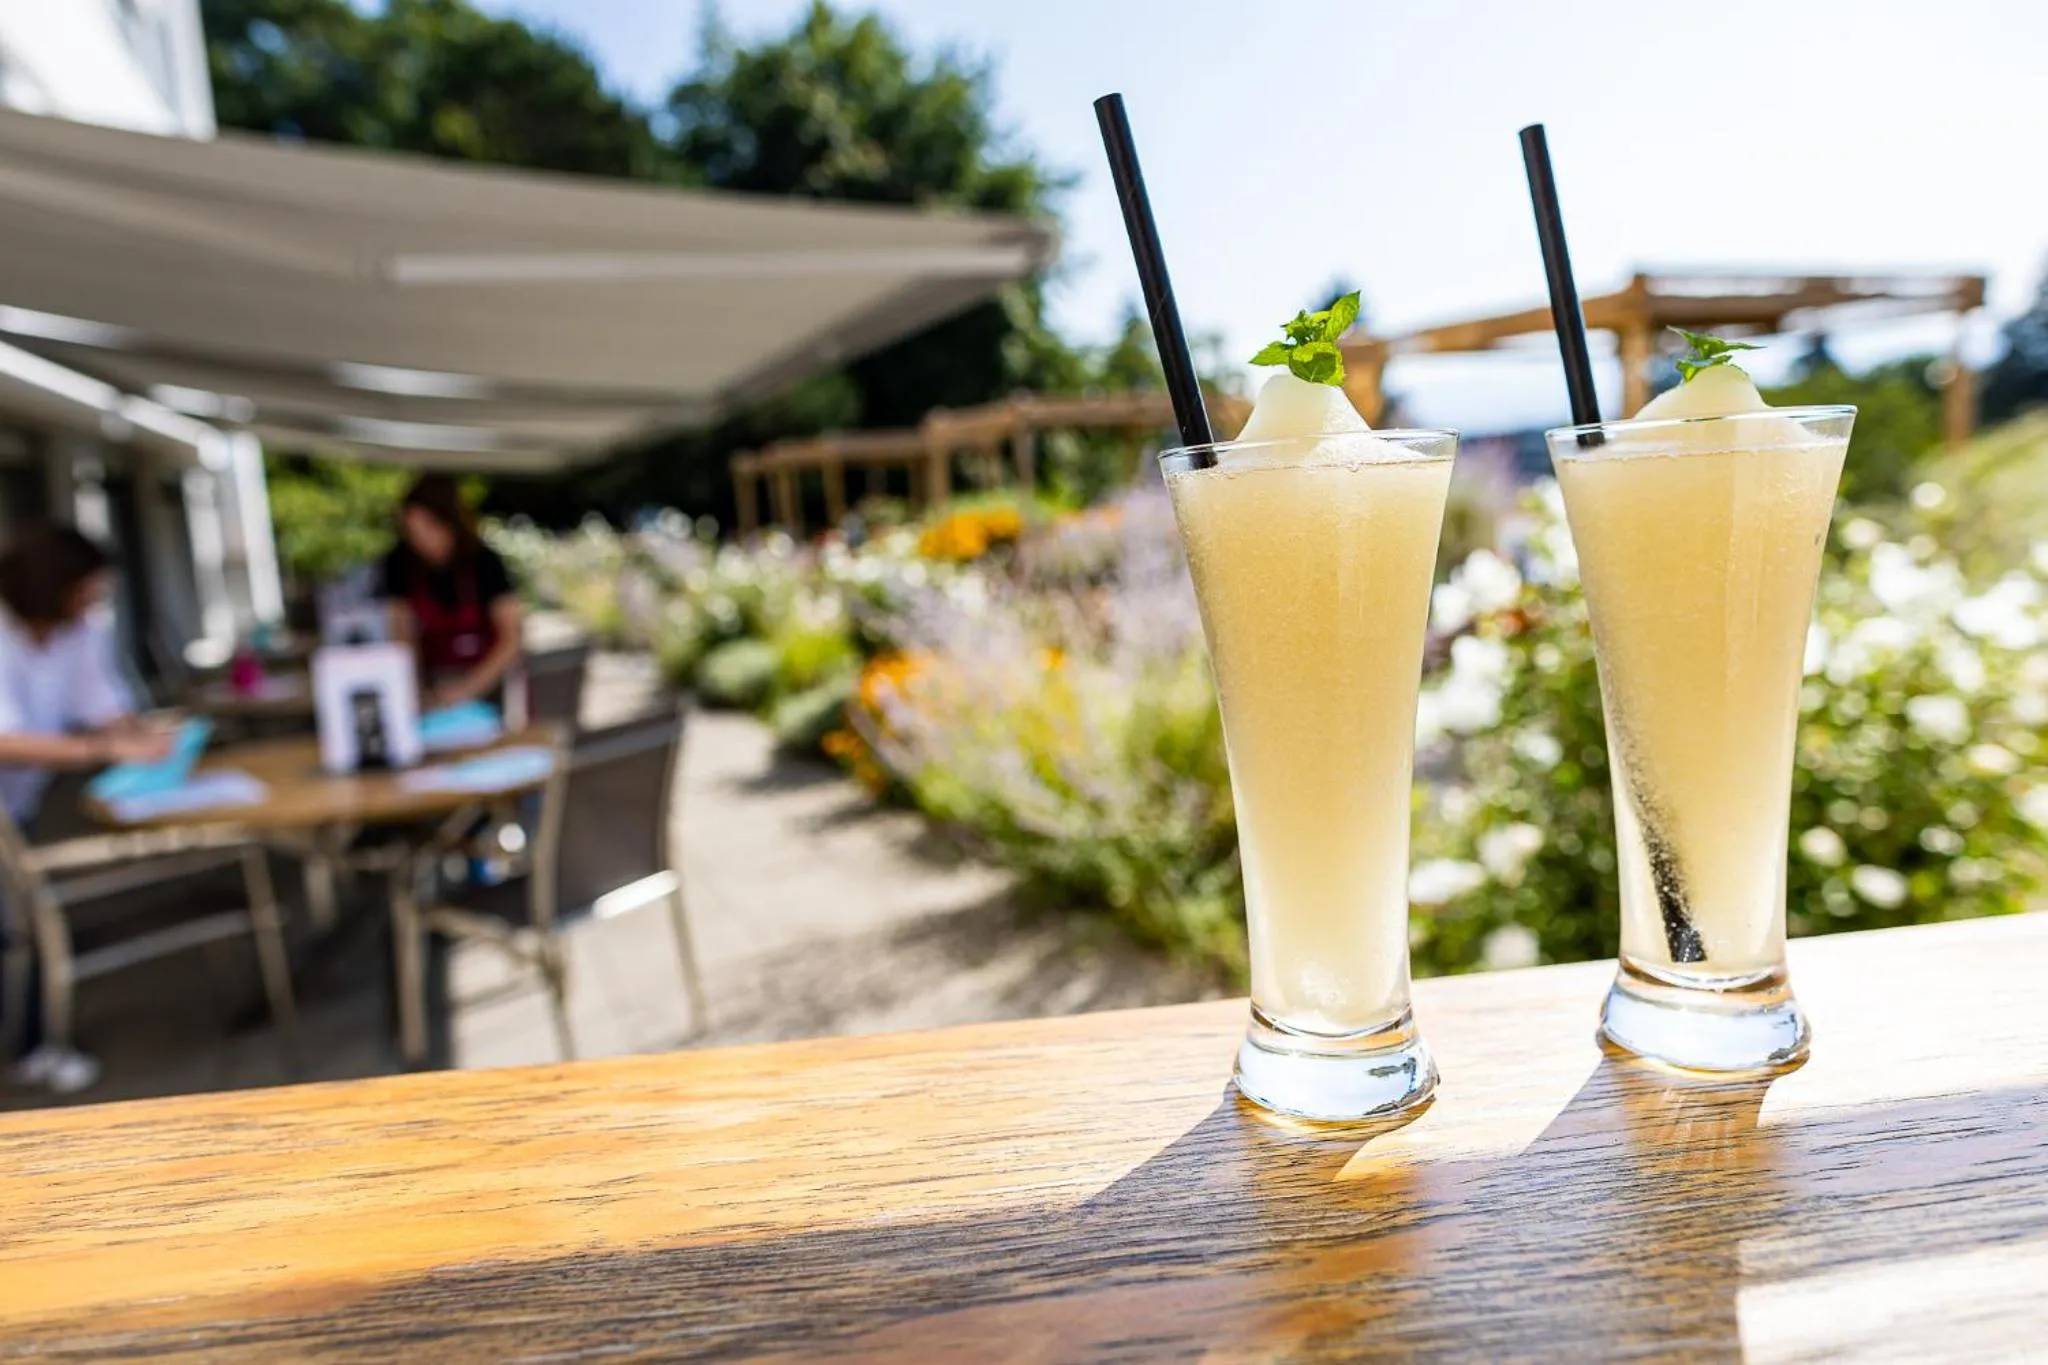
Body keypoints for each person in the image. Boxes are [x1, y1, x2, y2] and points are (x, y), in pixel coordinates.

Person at [0, 525, 171, 1094]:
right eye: (86, 589)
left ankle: (31, 1047)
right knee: (16, 928)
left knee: (18, 926)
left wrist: (148, 736)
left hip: (13, 806)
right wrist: (103, 748)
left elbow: (100, 705)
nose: (94, 600)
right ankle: (30, 1046)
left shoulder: (78, 632)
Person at [378, 475, 523, 711]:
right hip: (432, 685)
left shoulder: (484, 562)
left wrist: (469, 688)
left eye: (428, 527)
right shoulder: (400, 563)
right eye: (412, 531)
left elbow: (511, 639)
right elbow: (402, 634)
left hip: (486, 681)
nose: (421, 540)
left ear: (450, 523)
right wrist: (413, 688)